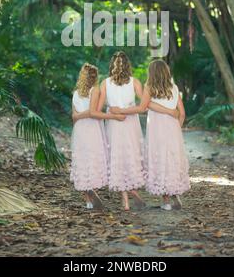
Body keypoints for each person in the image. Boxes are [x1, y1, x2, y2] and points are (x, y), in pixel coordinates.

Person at [110, 59, 189, 211]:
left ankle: (166, 201)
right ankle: (175, 196)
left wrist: (120, 111)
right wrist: (176, 129)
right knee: (172, 161)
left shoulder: (149, 88)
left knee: (160, 161)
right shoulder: (174, 88)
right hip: (173, 130)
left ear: (151, 73)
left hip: (157, 132)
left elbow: (141, 108)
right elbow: (182, 113)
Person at [71, 63, 125, 210]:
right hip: (91, 129)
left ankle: (88, 200)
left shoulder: (76, 93)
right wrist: (113, 116)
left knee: (83, 159)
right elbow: (94, 113)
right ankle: (90, 188)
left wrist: (82, 114)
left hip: (79, 129)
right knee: (91, 158)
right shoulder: (94, 91)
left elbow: (74, 117)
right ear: (94, 76)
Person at [97, 51, 145, 211]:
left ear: (112, 65)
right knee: (130, 155)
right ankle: (133, 189)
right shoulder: (135, 82)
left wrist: (114, 110)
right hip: (131, 122)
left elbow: (98, 108)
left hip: (113, 122)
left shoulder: (104, 83)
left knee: (117, 156)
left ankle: (125, 201)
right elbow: (144, 106)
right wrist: (127, 109)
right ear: (128, 65)